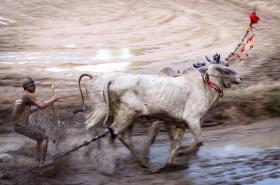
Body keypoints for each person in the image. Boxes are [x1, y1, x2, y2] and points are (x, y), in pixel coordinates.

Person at [12, 77, 60, 168]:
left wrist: (38, 107)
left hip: (17, 125)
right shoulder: (29, 95)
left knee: (40, 136)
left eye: (34, 85)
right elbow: (41, 106)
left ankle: (37, 161)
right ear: (26, 87)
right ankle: (42, 163)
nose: (34, 87)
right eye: (32, 85)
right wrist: (53, 99)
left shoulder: (20, 95)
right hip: (23, 125)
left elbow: (23, 111)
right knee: (44, 138)